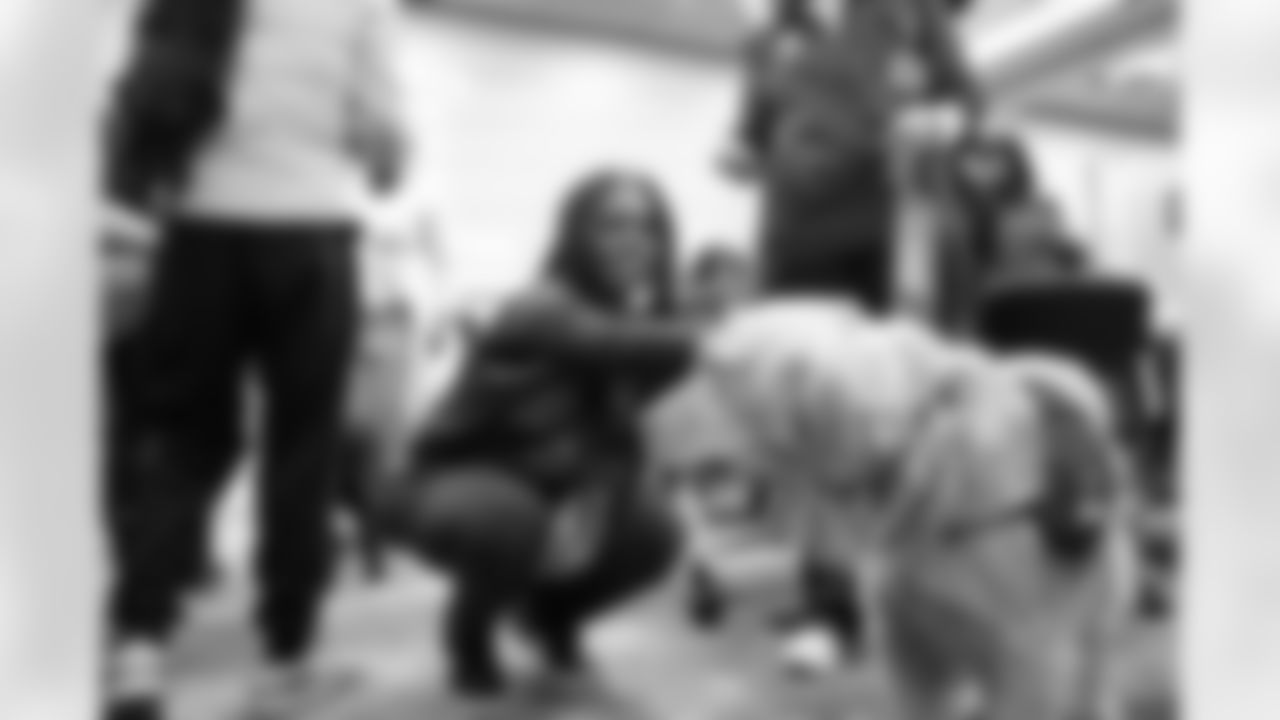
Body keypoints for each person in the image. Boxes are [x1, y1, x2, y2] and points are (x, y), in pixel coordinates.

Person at [102, 0, 410, 717]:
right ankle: (286, 657)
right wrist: (388, 162)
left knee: (182, 444)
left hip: (196, 240)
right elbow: (382, 139)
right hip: (309, 237)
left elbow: (143, 112)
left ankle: (139, 648)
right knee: (303, 450)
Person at [363, 169, 692, 698]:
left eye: (648, 226)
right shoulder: (543, 306)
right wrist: (726, 334)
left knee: (655, 532)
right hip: (447, 480)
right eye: (612, 224)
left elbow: (624, 427)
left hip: (551, 481)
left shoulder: (639, 319)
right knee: (508, 522)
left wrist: (603, 496)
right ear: (575, 233)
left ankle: (551, 617)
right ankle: (469, 639)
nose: (634, 238)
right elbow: (605, 342)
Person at [728, 0, 980, 310]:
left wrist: (932, 123)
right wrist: (739, 158)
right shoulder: (768, 37)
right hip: (797, 231)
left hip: (887, 219)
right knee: (802, 350)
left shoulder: (911, 10)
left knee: (896, 350)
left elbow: (964, 102)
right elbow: (753, 138)